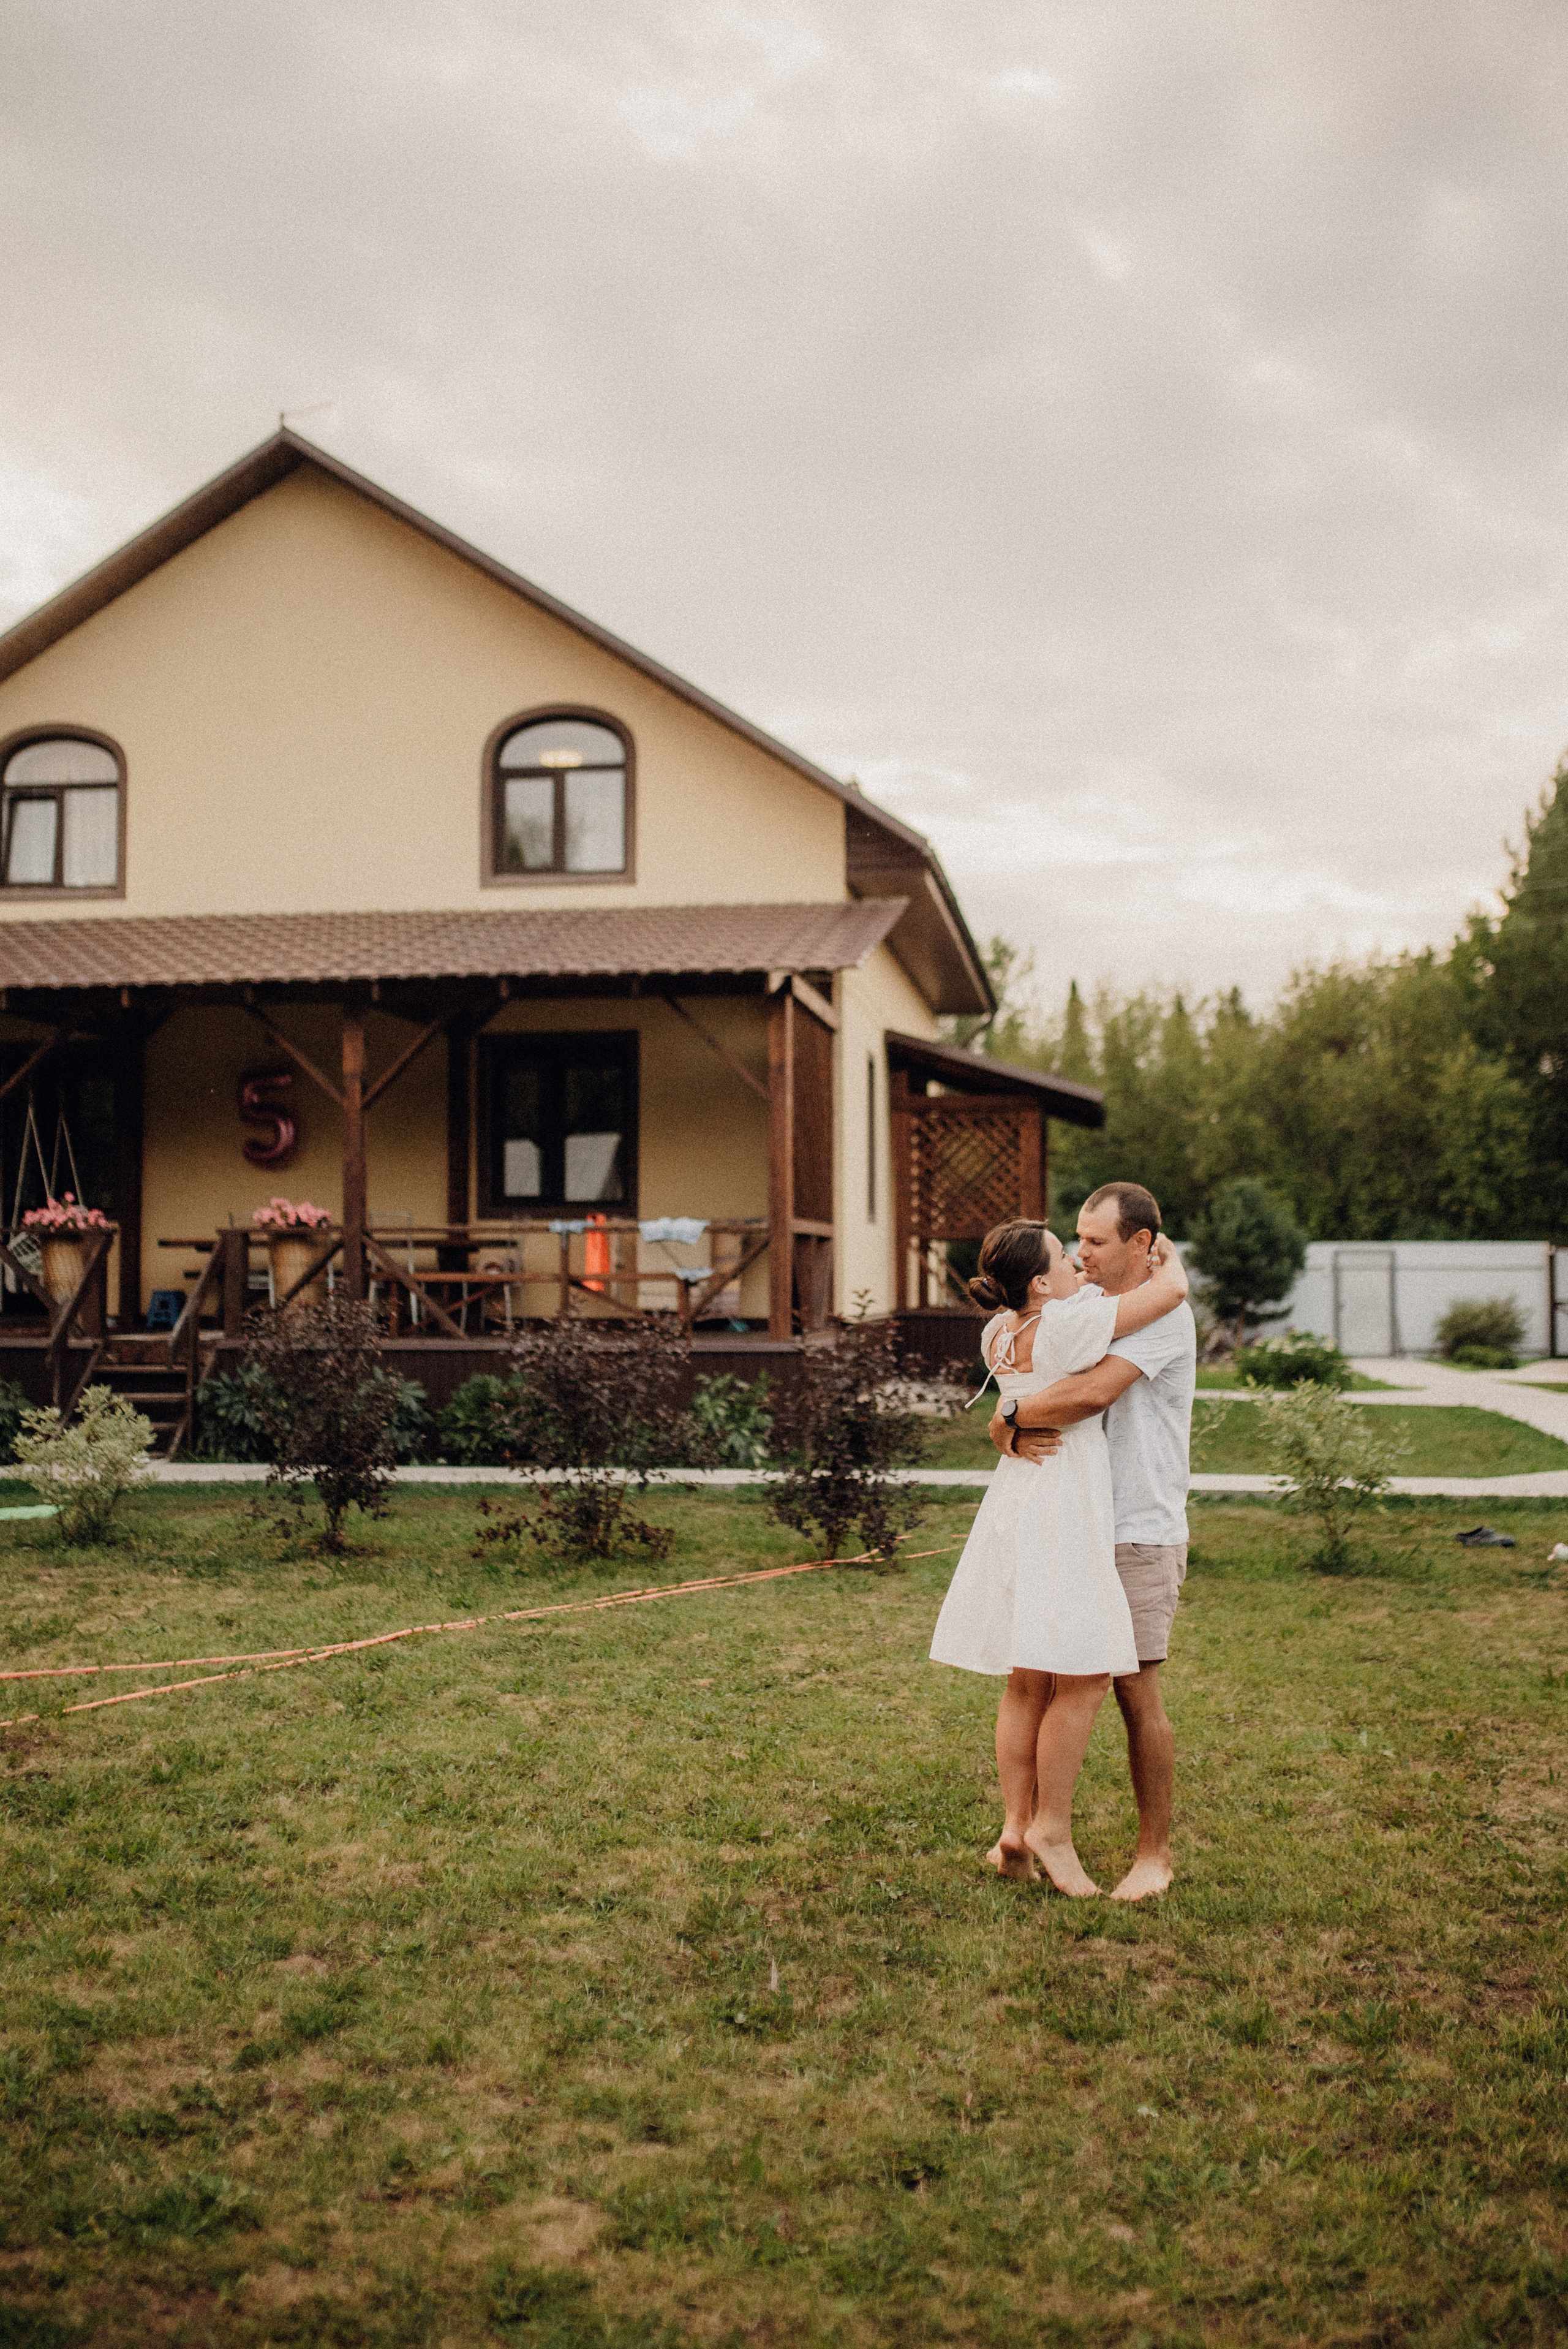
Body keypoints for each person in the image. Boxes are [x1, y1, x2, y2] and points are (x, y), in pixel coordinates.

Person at [929, 1217, 1190, 1897]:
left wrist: (1009, 1419)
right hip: (1069, 1504)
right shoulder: (1076, 1322)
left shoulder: (998, 1331)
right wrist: (1174, 1266)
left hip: (1024, 1497)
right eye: (1069, 1249)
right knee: (1081, 1676)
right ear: (1042, 1281)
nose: (1080, 1258)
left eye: (1093, 1242)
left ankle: (1018, 1827)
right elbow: (1156, 1309)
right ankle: (1048, 1828)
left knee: (1027, 1679)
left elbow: (1035, 1396)